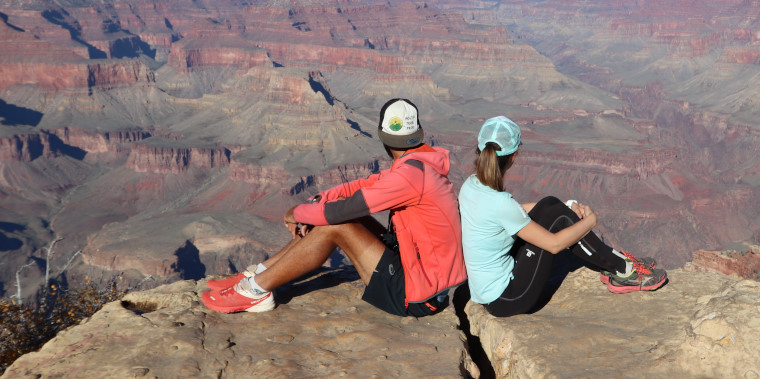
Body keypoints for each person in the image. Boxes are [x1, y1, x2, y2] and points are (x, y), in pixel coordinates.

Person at [201, 98, 466, 317]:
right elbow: (363, 185)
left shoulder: (411, 176)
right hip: (423, 276)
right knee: (338, 213)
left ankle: (255, 291)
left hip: (419, 294)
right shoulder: (418, 166)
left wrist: (296, 212)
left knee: (336, 223)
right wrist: (319, 199)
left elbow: (339, 212)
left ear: (384, 138)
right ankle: (256, 274)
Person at [459, 116, 667, 317]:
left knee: (551, 203)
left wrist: (567, 206)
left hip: (487, 288)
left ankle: (618, 260)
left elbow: (510, 211)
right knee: (560, 218)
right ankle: (623, 270)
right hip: (506, 298)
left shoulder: (471, 185)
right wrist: (590, 222)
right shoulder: (500, 203)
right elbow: (554, 244)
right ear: (514, 157)